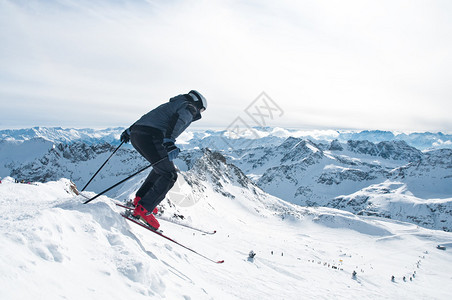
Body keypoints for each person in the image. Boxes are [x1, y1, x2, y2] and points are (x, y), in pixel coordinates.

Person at [120, 90, 207, 230]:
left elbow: (148, 116)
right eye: (202, 109)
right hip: (152, 136)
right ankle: (143, 209)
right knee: (170, 174)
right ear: (198, 104)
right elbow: (179, 121)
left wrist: (130, 131)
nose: (200, 112)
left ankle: (140, 201)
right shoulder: (189, 107)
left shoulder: (172, 104)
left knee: (160, 169)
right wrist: (169, 142)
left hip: (137, 134)